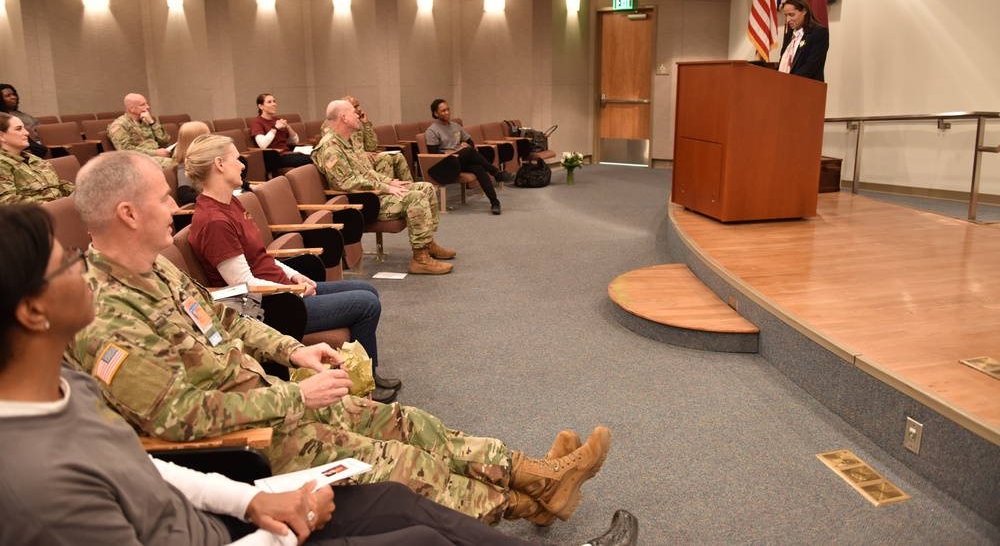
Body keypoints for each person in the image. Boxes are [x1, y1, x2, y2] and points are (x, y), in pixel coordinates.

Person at [0, 203, 639, 546]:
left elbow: (228, 327)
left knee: (406, 419)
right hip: (249, 437)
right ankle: (529, 496)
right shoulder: (106, 320)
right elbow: (173, 419)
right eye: (164, 197)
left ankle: (535, 479)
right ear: (127, 211)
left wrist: (292, 353)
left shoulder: (158, 271)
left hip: (270, 401)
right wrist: (289, 399)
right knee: (402, 466)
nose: (177, 205)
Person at [183, 133, 400, 403]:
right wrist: (293, 291)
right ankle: (362, 386)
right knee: (366, 304)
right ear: (219, 164)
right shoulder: (214, 220)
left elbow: (260, 256)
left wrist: (295, 275)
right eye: (236, 158)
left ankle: (365, 374)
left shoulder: (231, 202)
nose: (242, 164)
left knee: (367, 290)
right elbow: (244, 284)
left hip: (282, 289)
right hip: (269, 306)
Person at [313, 99, 454, 276]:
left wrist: (389, 183)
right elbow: (345, 183)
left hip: (372, 194)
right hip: (362, 204)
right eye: (353, 112)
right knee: (416, 197)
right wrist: (384, 188)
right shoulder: (330, 148)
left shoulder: (346, 142)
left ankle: (427, 243)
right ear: (344, 118)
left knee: (426, 188)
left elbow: (366, 172)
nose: (358, 114)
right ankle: (420, 259)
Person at [425, 99, 515, 216]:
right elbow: (433, 155)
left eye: (448, 109)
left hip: (460, 160)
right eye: (443, 111)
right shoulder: (432, 130)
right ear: (436, 113)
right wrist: (458, 150)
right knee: (468, 151)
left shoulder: (455, 126)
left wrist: (465, 145)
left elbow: (471, 144)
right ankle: (496, 173)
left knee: (479, 168)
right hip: (445, 164)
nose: (447, 112)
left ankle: (495, 202)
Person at [0, 113, 74, 204]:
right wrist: (49, 206)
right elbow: (5, 200)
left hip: (59, 208)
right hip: (35, 214)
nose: (26, 133)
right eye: (18, 129)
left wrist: (80, 192)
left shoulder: (33, 158)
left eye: (24, 128)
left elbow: (58, 184)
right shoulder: (2, 164)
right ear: (1, 136)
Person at [343, 95, 411, 181]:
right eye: (355, 107)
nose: (359, 109)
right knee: (385, 158)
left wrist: (366, 124)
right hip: (354, 162)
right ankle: (387, 190)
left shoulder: (356, 125)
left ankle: (408, 186)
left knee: (398, 156)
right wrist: (362, 153)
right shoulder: (336, 127)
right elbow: (342, 150)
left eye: (359, 105)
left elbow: (372, 147)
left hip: (364, 159)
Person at [107, 92, 173, 166]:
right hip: (139, 160)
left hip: (157, 154)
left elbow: (165, 140)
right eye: (142, 105)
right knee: (172, 164)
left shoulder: (146, 120)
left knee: (185, 157)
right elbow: (126, 151)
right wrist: (155, 153)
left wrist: (152, 122)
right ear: (131, 108)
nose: (147, 107)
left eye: (146, 103)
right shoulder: (119, 125)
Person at [252, 94, 313, 172]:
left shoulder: (277, 120)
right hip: (276, 158)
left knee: (317, 155)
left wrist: (288, 127)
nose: (274, 104)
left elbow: (295, 141)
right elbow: (262, 144)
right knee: (313, 158)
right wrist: (275, 128)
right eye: (269, 102)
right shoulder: (257, 122)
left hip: (288, 153)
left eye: (274, 101)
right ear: (261, 106)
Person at [778, 0, 829, 82]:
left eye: (791, 15)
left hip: (807, 88)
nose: (788, 20)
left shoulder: (819, 32)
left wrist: (789, 80)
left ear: (804, 11)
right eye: (786, 15)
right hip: (785, 87)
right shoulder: (789, 35)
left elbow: (811, 65)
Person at [0, 83, 48, 157]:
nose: (13, 97)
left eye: (14, 94)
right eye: (8, 96)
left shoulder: (23, 114)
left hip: (42, 141)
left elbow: (41, 128)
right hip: (30, 145)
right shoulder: (3, 117)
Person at [172, 120, 212, 205]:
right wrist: (213, 198)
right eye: (208, 136)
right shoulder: (186, 166)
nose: (211, 139)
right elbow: (184, 195)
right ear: (196, 141)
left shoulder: (210, 158)